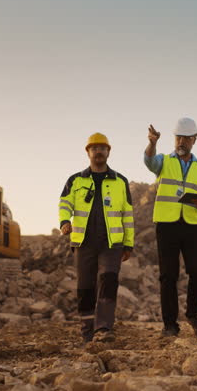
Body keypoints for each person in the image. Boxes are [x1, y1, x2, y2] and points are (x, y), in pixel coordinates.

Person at [59, 132, 134, 343]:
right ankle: (87, 331)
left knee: (108, 280)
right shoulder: (75, 180)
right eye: (94, 148)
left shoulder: (120, 181)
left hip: (112, 243)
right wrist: (64, 221)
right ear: (88, 152)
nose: (98, 151)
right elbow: (64, 203)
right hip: (83, 242)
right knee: (85, 286)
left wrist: (128, 243)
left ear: (108, 152)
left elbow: (127, 214)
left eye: (102, 148)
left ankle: (104, 328)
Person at [144, 117, 197, 338]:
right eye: (178, 138)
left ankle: (193, 315)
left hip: (193, 225)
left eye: (186, 138)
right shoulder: (163, 161)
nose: (181, 142)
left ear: (194, 140)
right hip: (167, 224)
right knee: (168, 275)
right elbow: (148, 161)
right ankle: (170, 325)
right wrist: (152, 143)